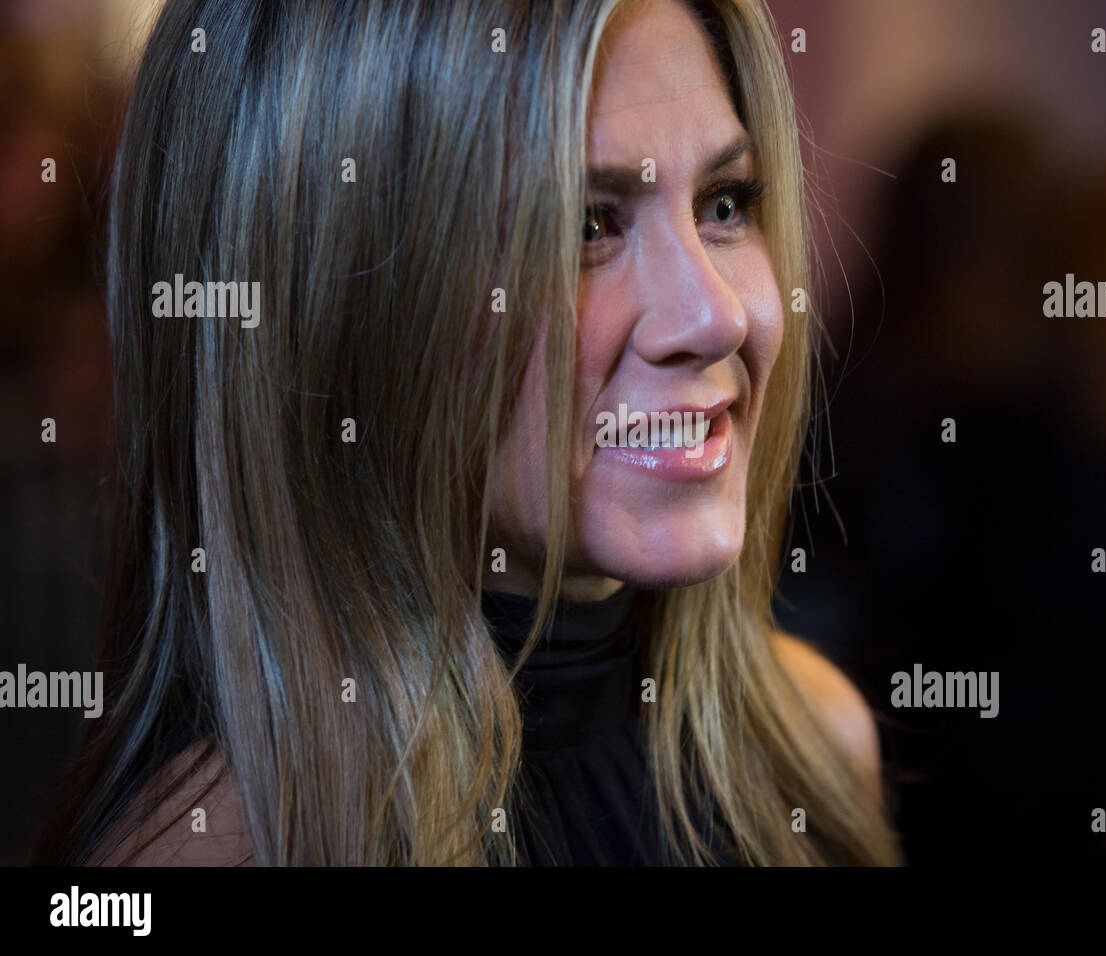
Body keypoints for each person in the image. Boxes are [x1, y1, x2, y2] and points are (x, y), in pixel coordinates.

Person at [33, 0, 901, 866]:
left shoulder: (812, 751)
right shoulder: (214, 852)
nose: (715, 314)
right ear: (340, 304)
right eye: (584, 225)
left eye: (724, 202)